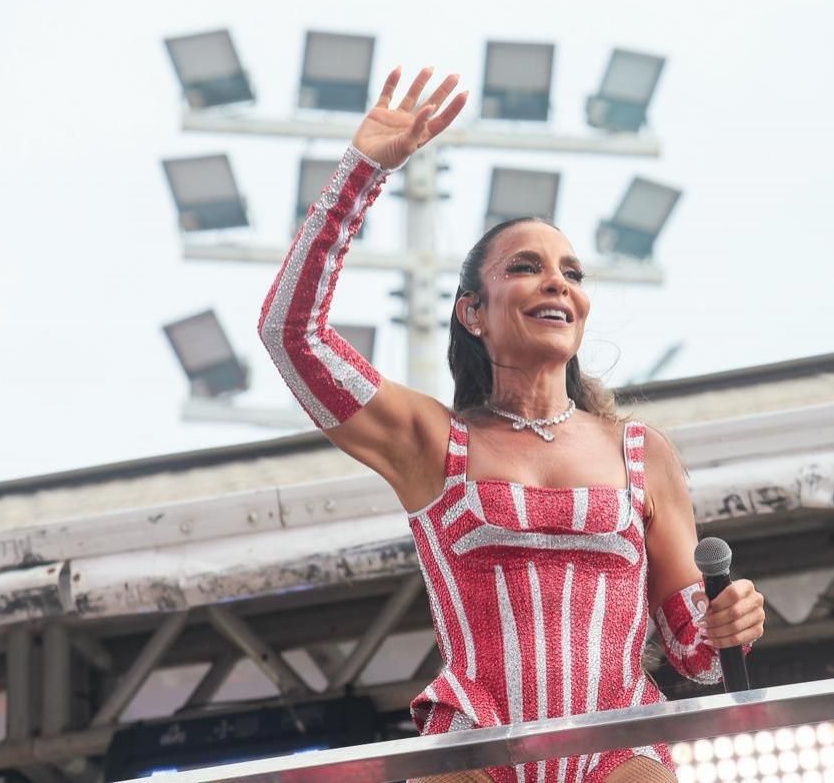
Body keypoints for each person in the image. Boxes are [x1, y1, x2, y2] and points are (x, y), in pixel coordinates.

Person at [258, 66, 766, 783]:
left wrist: (729, 619)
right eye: (526, 267)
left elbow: (696, 657)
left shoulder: (640, 454)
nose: (558, 281)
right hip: (474, 746)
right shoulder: (432, 442)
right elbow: (291, 336)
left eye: (572, 272)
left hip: (621, 749)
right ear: (472, 310)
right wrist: (362, 172)